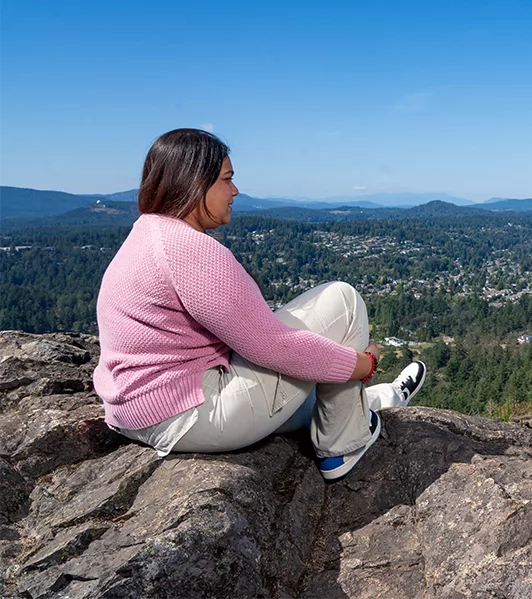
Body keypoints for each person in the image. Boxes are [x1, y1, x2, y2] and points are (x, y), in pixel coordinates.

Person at [94, 128, 427, 482]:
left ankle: (383, 400)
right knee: (341, 300)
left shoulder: (149, 232)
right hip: (191, 414)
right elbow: (272, 346)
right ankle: (344, 446)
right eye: (226, 180)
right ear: (194, 183)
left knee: (313, 400)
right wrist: (362, 364)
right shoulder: (187, 249)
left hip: (137, 413)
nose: (235, 191)